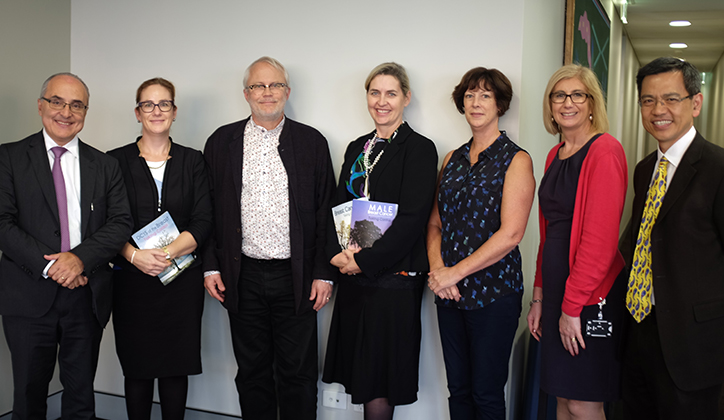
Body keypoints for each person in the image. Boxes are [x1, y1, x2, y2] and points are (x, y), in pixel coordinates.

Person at [202, 56, 335, 420]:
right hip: (240, 275)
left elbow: (326, 211)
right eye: (258, 86)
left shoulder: (311, 143)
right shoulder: (221, 142)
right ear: (245, 93)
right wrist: (210, 267)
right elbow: (208, 211)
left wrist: (324, 273)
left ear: (287, 92)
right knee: (253, 373)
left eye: (275, 85)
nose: (267, 92)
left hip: (297, 277)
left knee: (299, 374)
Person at [0, 73, 132, 419]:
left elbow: (120, 222)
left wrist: (78, 260)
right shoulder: (9, 158)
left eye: (77, 105)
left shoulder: (105, 165)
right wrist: (53, 267)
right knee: (28, 395)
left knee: (80, 396)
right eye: (57, 101)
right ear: (41, 106)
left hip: (85, 294)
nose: (66, 112)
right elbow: (2, 223)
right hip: (27, 295)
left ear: (85, 112)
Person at [322, 62, 438, 420]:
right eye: (375, 93)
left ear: (406, 97)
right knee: (361, 374)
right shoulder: (359, 146)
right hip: (355, 277)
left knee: (380, 379)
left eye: (391, 93)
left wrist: (364, 261)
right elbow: (338, 204)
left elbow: (412, 220)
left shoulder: (419, 149)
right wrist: (339, 256)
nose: (382, 101)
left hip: (393, 281)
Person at [426, 67, 535, 419]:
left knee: (485, 394)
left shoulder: (516, 159)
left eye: (486, 95)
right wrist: (439, 272)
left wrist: (454, 273)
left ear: (500, 104)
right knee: (457, 389)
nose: (476, 102)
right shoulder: (451, 159)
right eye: (470, 95)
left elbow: (511, 234)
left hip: (494, 294)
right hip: (449, 293)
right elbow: (435, 224)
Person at [619, 57, 724, 419]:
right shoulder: (644, 169)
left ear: (695, 103)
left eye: (671, 99)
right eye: (648, 100)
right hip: (637, 336)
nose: (658, 110)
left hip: (695, 351)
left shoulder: (718, 168)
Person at [526, 64, 627, 420]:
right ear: (550, 104)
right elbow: (548, 234)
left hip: (589, 295)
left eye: (577, 95)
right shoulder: (555, 155)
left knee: (584, 401)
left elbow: (600, 241)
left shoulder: (605, 151)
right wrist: (539, 297)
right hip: (556, 292)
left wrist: (572, 307)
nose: (567, 103)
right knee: (562, 397)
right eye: (559, 95)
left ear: (591, 103)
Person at [107, 77, 213, 420]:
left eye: (164, 104)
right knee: (137, 369)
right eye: (148, 105)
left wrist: (165, 255)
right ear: (137, 113)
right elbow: (108, 223)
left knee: (174, 367)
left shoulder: (193, 161)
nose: (156, 111)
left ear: (174, 111)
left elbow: (202, 220)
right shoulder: (114, 162)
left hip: (180, 284)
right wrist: (134, 255)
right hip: (131, 283)